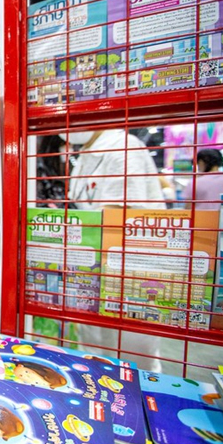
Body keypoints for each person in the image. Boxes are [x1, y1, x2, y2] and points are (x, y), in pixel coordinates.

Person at [66, 128, 164, 372]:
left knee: (133, 358)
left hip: (131, 272)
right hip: (95, 267)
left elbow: (118, 214)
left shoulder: (123, 148)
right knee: (94, 353)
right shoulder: (85, 154)